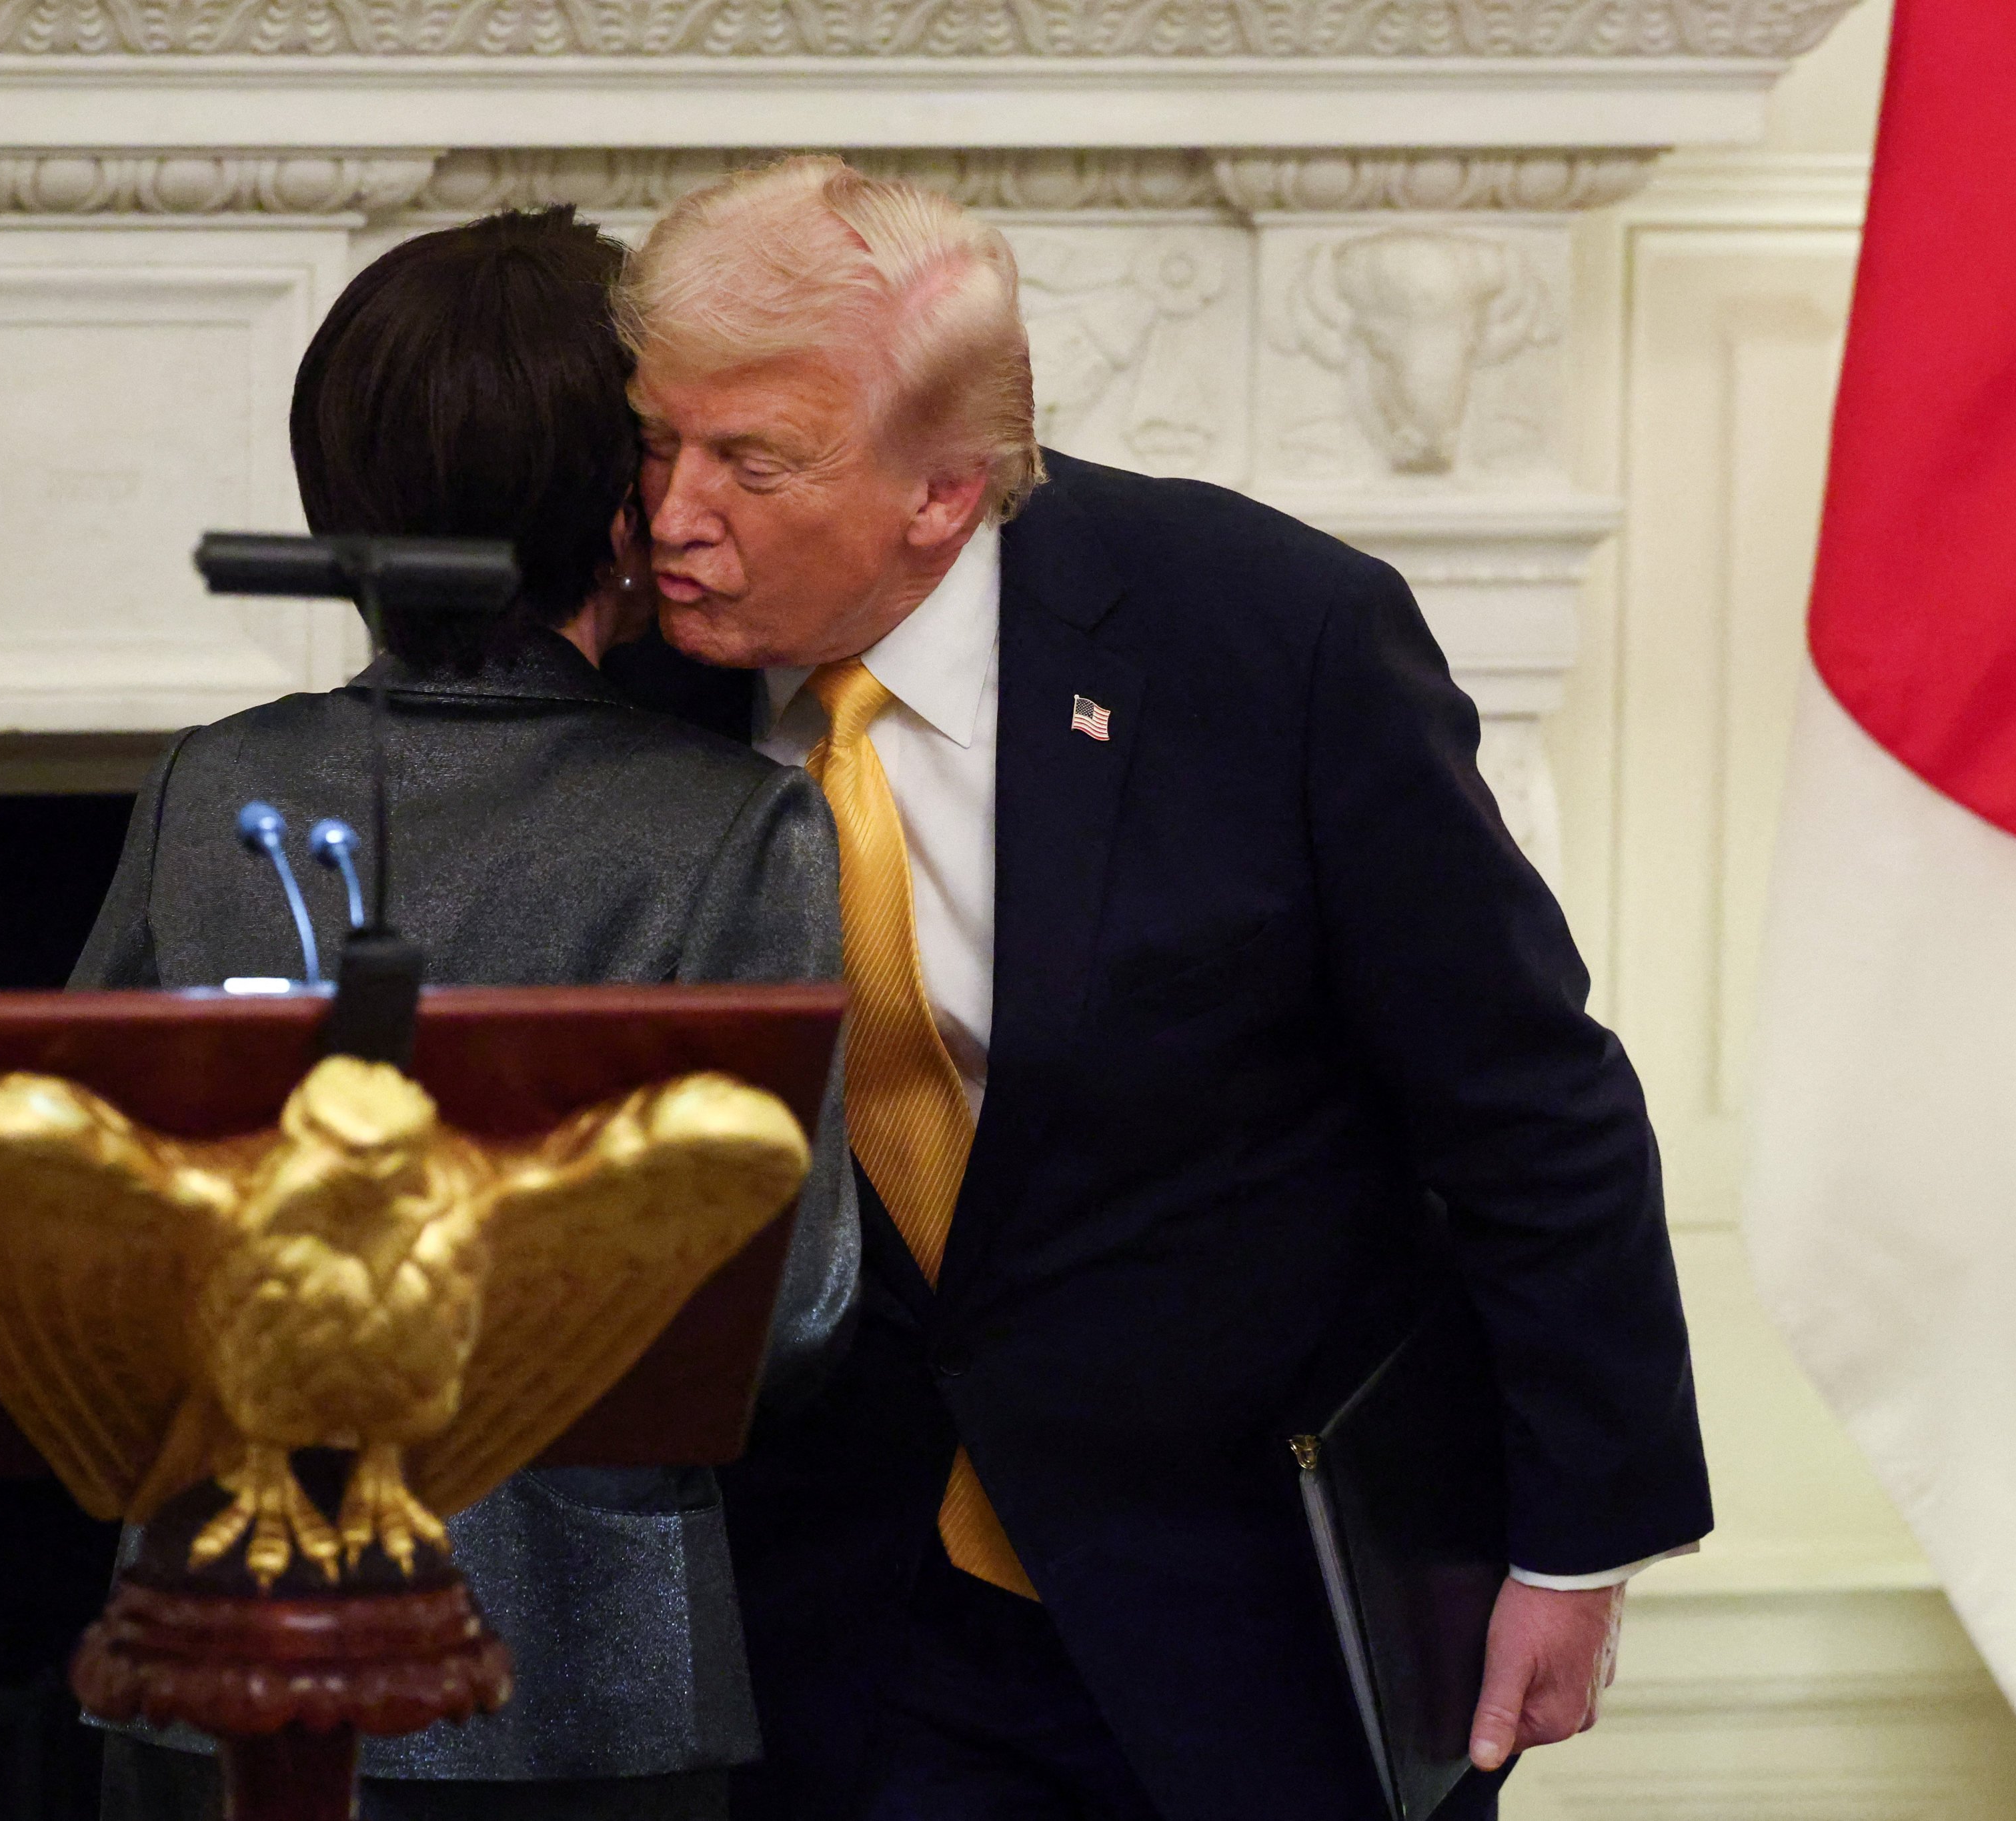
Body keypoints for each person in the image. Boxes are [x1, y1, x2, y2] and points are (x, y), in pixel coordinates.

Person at [612, 157, 1713, 1820]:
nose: (670, 514)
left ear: (941, 494)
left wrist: (1577, 1545)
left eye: (748, 463)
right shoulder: (629, 687)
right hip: (854, 1619)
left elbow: (1527, 1102)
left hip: (1249, 1603)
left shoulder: (1270, 638)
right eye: (655, 440)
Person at [73, 205, 852, 1821]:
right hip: (584, 1688)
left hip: (220, 1653)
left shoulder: (208, 784)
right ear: (619, 501)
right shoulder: (732, 825)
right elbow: (787, 1311)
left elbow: (91, 1234)